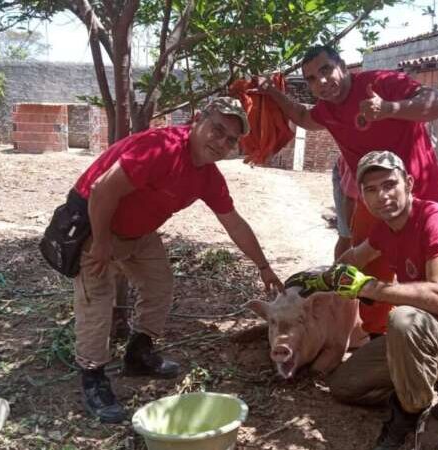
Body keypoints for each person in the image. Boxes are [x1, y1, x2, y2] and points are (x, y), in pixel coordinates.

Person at [71, 97, 284, 423]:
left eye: (230, 140)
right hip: (96, 221)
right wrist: (100, 243)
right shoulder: (163, 148)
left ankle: (138, 353)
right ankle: (93, 377)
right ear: (198, 119)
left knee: (160, 284)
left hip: (139, 232)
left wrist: (264, 267)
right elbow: (102, 191)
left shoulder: (208, 176)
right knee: (97, 300)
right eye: (217, 130)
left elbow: (234, 223)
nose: (222, 142)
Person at [290, 151, 438, 450]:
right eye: (371, 189)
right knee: (343, 386)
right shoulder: (386, 229)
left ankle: (409, 415)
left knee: (402, 319)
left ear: (409, 183)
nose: (382, 196)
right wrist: (320, 281)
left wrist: (370, 288)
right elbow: (353, 259)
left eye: (389, 184)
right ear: (361, 195)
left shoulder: (436, 222)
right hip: (424, 338)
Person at [258, 44, 438, 336]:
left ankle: (437, 341)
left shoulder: (381, 83)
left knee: (425, 275)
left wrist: (390, 109)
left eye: (325, 70)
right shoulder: (326, 110)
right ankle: (375, 334)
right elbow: (301, 116)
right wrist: (271, 90)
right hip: (372, 203)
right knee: (369, 271)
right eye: (311, 78)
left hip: (421, 198)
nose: (321, 82)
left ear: (343, 66)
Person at [332, 156, 358, 260]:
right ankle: (337, 273)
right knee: (346, 235)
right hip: (346, 171)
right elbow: (349, 199)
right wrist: (350, 229)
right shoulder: (355, 163)